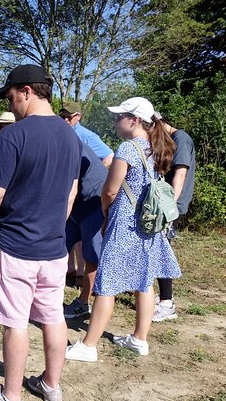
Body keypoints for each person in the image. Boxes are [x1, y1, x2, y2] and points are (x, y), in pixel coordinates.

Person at [0, 64, 81, 401]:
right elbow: (70, 193)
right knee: (52, 315)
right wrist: (53, 226)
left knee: (15, 321)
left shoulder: (12, 137)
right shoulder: (71, 137)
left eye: (10, 95)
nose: (9, 102)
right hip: (53, 248)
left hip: (15, 244)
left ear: (27, 91)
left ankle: (12, 399)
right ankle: (51, 384)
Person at [65, 97, 181, 363]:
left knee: (107, 284)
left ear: (135, 120)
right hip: (148, 223)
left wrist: (106, 214)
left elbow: (110, 190)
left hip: (126, 222)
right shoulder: (156, 147)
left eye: (119, 117)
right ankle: (139, 339)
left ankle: (88, 345)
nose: (115, 121)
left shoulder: (128, 148)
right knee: (145, 279)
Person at [60, 101, 114, 283]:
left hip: (90, 195)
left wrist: (92, 173)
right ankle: (72, 272)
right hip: (76, 196)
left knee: (89, 241)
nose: (66, 119)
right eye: (63, 116)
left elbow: (109, 156)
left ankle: (94, 280)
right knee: (70, 236)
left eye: (69, 116)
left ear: (78, 116)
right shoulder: (63, 134)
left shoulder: (86, 135)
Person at [152, 112, 196, 322]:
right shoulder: (172, 140)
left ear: (161, 123)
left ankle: (166, 304)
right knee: (159, 248)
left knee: (162, 250)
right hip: (167, 204)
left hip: (172, 206)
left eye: (153, 127)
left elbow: (180, 173)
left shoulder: (181, 140)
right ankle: (161, 298)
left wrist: (169, 206)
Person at [62, 141, 107, 319]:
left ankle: (83, 302)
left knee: (92, 255)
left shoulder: (72, 146)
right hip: (76, 205)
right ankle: (45, 296)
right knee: (58, 247)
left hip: (93, 203)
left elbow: (68, 189)